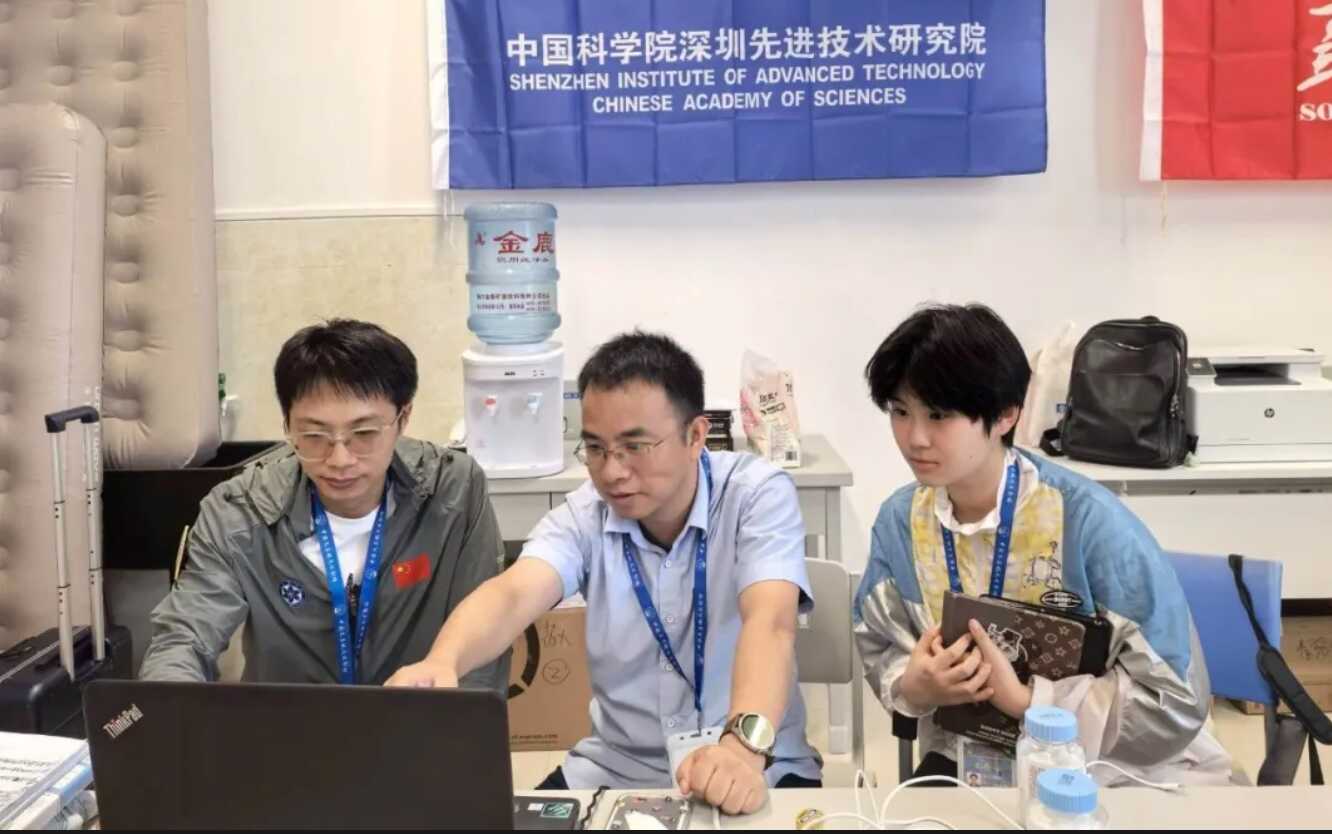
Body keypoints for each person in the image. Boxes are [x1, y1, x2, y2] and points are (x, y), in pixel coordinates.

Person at [389, 331, 821, 814]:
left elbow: (771, 622)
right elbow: (513, 594)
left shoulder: (754, 495)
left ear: (696, 436)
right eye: (595, 448)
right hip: (619, 768)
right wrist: (444, 661)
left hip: (754, 763)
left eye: (635, 446)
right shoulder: (586, 514)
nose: (612, 472)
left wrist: (741, 749)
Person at [853, 304, 1232, 786]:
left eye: (939, 415)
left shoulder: (1089, 524)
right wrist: (915, 685)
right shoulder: (901, 522)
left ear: (1006, 414)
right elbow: (879, 641)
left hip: (1107, 767)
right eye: (900, 412)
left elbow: (1174, 700)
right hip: (968, 756)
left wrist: (1032, 702)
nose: (915, 438)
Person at [140, 319, 507, 691]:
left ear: (403, 418)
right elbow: (185, 636)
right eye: (314, 435)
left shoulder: (453, 490)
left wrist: (462, 722)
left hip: (421, 718)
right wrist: (170, 707)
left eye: (364, 433)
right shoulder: (239, 510)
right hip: (287, 724)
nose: (340, 459)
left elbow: (486, 629)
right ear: (287, 425)